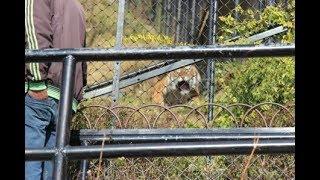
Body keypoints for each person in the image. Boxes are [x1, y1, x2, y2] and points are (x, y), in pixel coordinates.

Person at [25, 0, 87, 179]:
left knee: (29, 164)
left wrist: (36, 83)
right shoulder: (76, 5)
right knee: (53, 168)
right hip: (66, 96)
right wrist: (75, 95)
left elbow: (35, 33)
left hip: (40, 92)